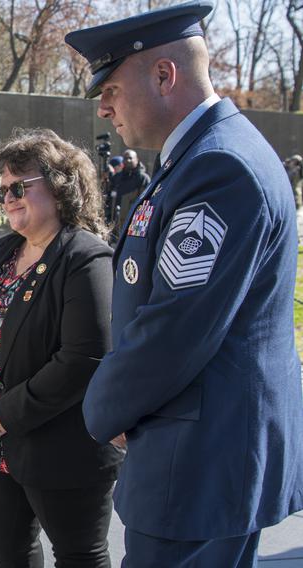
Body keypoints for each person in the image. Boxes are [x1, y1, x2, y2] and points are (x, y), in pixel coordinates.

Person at [66, 2, 303, 565]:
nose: (103, 109)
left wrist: (105, 408)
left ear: (165, 75)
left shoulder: (220, 169)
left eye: (112, 90)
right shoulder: (200, 158)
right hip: (200, 450)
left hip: (199, 463)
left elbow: (174, 327)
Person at [0, 128, 123, 567]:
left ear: (61, 186)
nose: (7, 197)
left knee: (79, 556)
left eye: (19, 186)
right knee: (10, 553)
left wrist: (5, 411)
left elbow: (83, 358)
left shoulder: (86, 258)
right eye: (2, 188)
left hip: (60, 447)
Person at [109, 149, 149, 240]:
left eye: (130, 158)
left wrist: (139, 230)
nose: (128, 161)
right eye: (125, 158)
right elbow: (110, 198)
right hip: (117, 225)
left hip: (134, 225)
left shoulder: (143, 178)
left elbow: (146, 205)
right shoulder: (118, 177)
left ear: (137, 160)